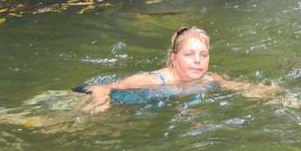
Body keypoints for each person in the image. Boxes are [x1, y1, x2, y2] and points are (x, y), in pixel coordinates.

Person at [78, 26, 280, 115]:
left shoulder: (209, 78)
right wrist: (100, 102)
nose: (198, 61)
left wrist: (277, 96)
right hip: (83, 101)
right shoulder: (155, 80)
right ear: (174, 58)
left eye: (203, 55)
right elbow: (99, 87)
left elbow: (241, 88)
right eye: (189, 54)